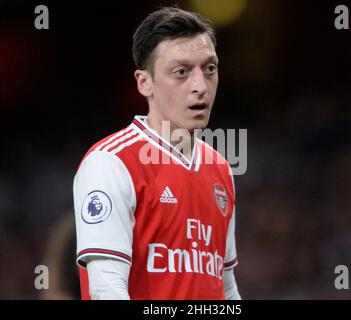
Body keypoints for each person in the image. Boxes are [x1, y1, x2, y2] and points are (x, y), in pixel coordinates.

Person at [73, 6, 241, 300]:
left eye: (209, 69)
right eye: (181, 72)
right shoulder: (110, 162)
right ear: (144, 82)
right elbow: (105, 287)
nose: (200, 86)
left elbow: (225, 286)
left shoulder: (221, 169)